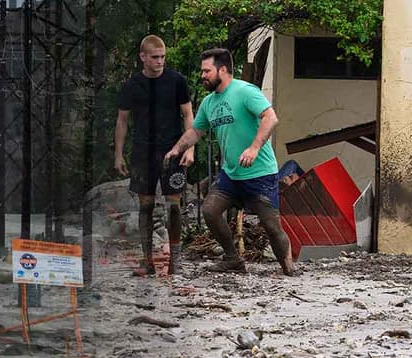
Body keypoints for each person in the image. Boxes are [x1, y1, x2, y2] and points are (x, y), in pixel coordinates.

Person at [163, 48, 296, 276]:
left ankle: (289, 269)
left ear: (222, 70)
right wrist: (177, 148)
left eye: (207, 71)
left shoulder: (245, 91)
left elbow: (271, 117)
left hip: (260, 174)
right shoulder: (208, 102)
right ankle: (233, 259)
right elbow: (196, 131)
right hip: (231, 175)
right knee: (210, 210)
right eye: (202, 71)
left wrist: (254, 148)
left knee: (272, 227)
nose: (202, 75)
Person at [114, 35, 193, 276]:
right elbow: (122, 120)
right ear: (143, 57)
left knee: (174, 207)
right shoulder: (131, 86)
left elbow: (189, 115)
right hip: (142, 151)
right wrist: (118, 154)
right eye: (155, 57)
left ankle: (175, 263)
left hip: (173, 149)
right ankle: (147, 261)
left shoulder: (177, 81)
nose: (160, 62)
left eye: (163, 57)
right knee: (146, 206)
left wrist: (190, 147)